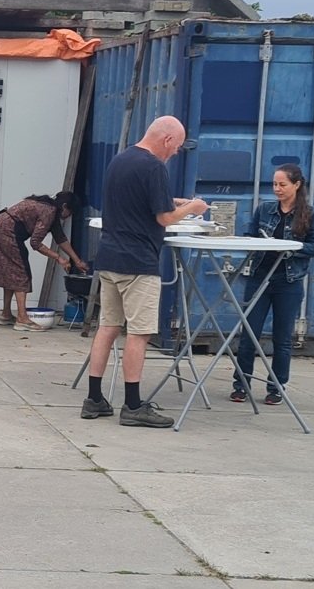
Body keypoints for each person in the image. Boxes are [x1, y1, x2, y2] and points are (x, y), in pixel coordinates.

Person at [82, 116, 208, 428]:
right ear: (167, 140)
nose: (175, 153)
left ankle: (94, 398)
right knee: (139, 334)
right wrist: (192, 208)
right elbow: (164, 218)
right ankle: (133, 405)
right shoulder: (154, 167)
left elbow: (137, 201)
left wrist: (173, 201)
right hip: (138, 262)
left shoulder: (120, 160)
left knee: (108, 327)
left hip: (109, 258)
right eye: (177, 146)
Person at [232, 164, 314, 405]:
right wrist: (256, 243)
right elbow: (250, 236)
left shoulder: (310, 213)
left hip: (289, 281)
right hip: (260, 277)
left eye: (282, 184)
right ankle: (241, 385)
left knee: (282, 338)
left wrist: (291, 248)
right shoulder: (264, 209)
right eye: (274, 184)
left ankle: (276, 387)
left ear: (297, 185)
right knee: (248, 334)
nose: (277, 189)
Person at [0, 191, 88, 331]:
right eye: (70, 212)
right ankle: (22, 319)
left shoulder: (48, 208)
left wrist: (77, 261)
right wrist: (59, 258)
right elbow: (35, 243)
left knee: (11, 272)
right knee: (21, 274)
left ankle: (6, 314)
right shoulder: (49, 212)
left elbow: (60, 238)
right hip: (8, 231)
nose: (69, 216)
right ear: (64, 206)